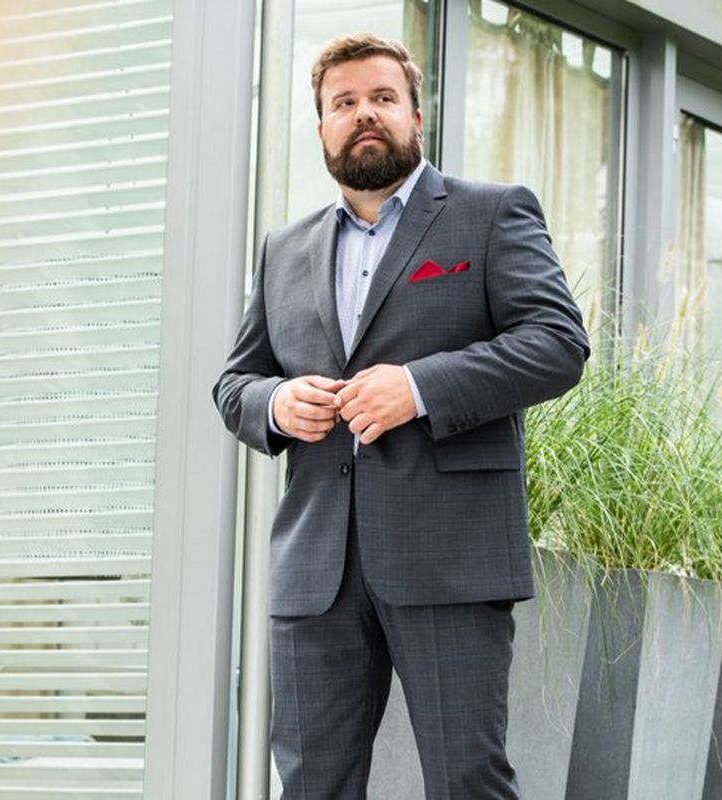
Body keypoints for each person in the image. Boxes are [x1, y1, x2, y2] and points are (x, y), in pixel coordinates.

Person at [215, 32, 589, 800]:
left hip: (449, 560)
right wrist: (276, 403)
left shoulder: (491, 215)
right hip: (316, 572)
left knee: (467, 783)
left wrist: (417, 388)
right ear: (321, 127)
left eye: (383, 98)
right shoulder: (284, 249)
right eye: (344, 103)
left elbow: (557, 344)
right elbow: (236, 382)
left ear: (416, 115)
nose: (365, 113)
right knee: (311, 787)